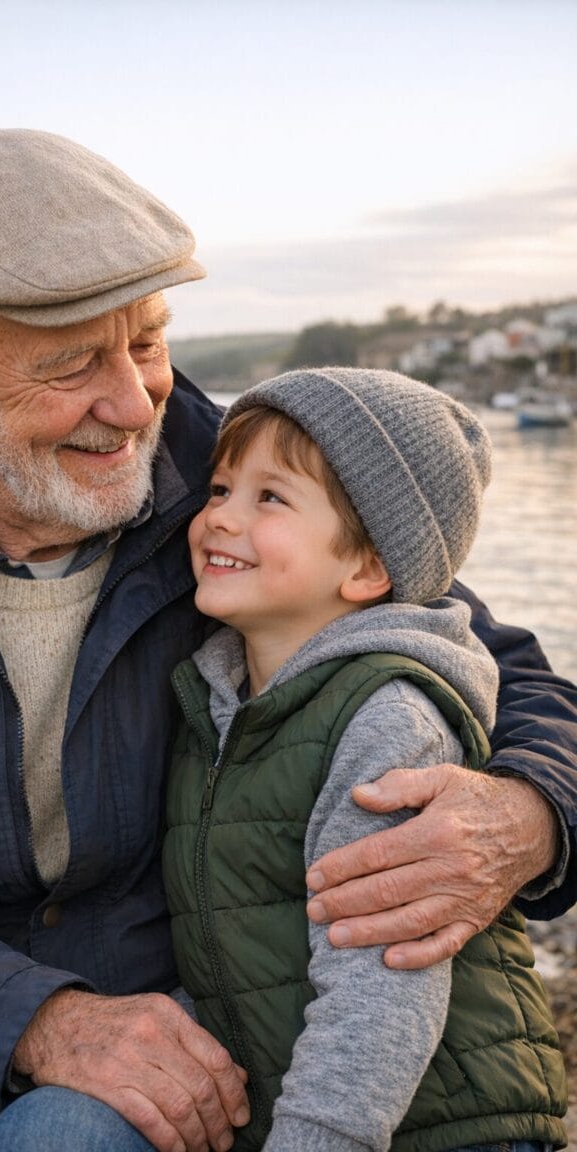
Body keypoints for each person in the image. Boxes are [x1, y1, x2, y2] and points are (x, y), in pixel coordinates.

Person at [0, 128, 574, 1152]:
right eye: (72, 361)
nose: (134, 404)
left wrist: (530, 810)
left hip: (161, 1072)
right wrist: (29, 1020)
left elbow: (481, 660)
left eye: (148, 341)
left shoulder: (239, 494)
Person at [162, 368, 568, 1152]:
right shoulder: (217, 705)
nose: (221, 518)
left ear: (369, 569)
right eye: (219, 489)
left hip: (449, 1131)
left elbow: (379, 990)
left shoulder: (387, 721)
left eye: (270, 498)